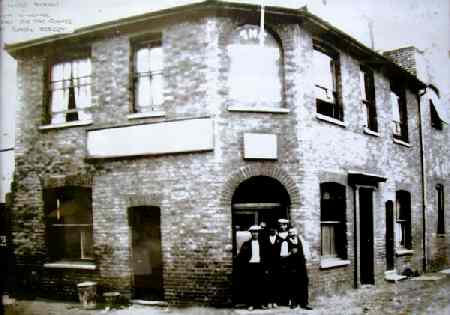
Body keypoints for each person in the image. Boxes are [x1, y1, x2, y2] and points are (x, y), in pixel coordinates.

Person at [238, 225, 265, 311]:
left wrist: (266, 267)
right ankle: (251, 304)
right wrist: (244, 266)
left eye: (256, 232)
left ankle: (261, 304)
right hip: (250, 266)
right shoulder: (246, 244)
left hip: (260, 266)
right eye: (253, 232)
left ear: (259, 233)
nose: (255, 234)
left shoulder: (263, 244)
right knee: (250, 286)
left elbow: (267, 256)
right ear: (251, 233)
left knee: (261, 286)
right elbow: (241, 257)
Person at [287, 227, 312, 310]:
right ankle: (294, 303)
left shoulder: (301, 239)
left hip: (301, 265)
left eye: (293, 232)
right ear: (288, 233)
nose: (292, 233)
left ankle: (304, 303)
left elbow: (306, 252)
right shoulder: (285, 242)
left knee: (304, 283)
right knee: (293, 284)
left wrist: (306, 262)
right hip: (291, 266)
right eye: (290, 232)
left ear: (296, 232)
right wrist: (290, 253)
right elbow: (282, 255)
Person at [261, 226, 280, 308]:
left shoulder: (280, 239)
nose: (272, 230)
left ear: (276, 230)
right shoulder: (265, 239)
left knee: (276, 283)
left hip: (277, 265)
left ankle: (275, 301)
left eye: (274, 229)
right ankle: (268, 301)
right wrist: (265, 267)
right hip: (268, 266)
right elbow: (263, 253)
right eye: (271, 229)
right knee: (267, 283)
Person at [276, 218, 290, 305]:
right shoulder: (276, 235)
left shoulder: (290, 235)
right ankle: (280, 300)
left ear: (287, 225)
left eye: (284, 225)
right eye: (281, 225)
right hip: (279, 261)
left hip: (289, 261)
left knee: (288, 280)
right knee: (279, 280)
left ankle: (289, 300)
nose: (282, 226)